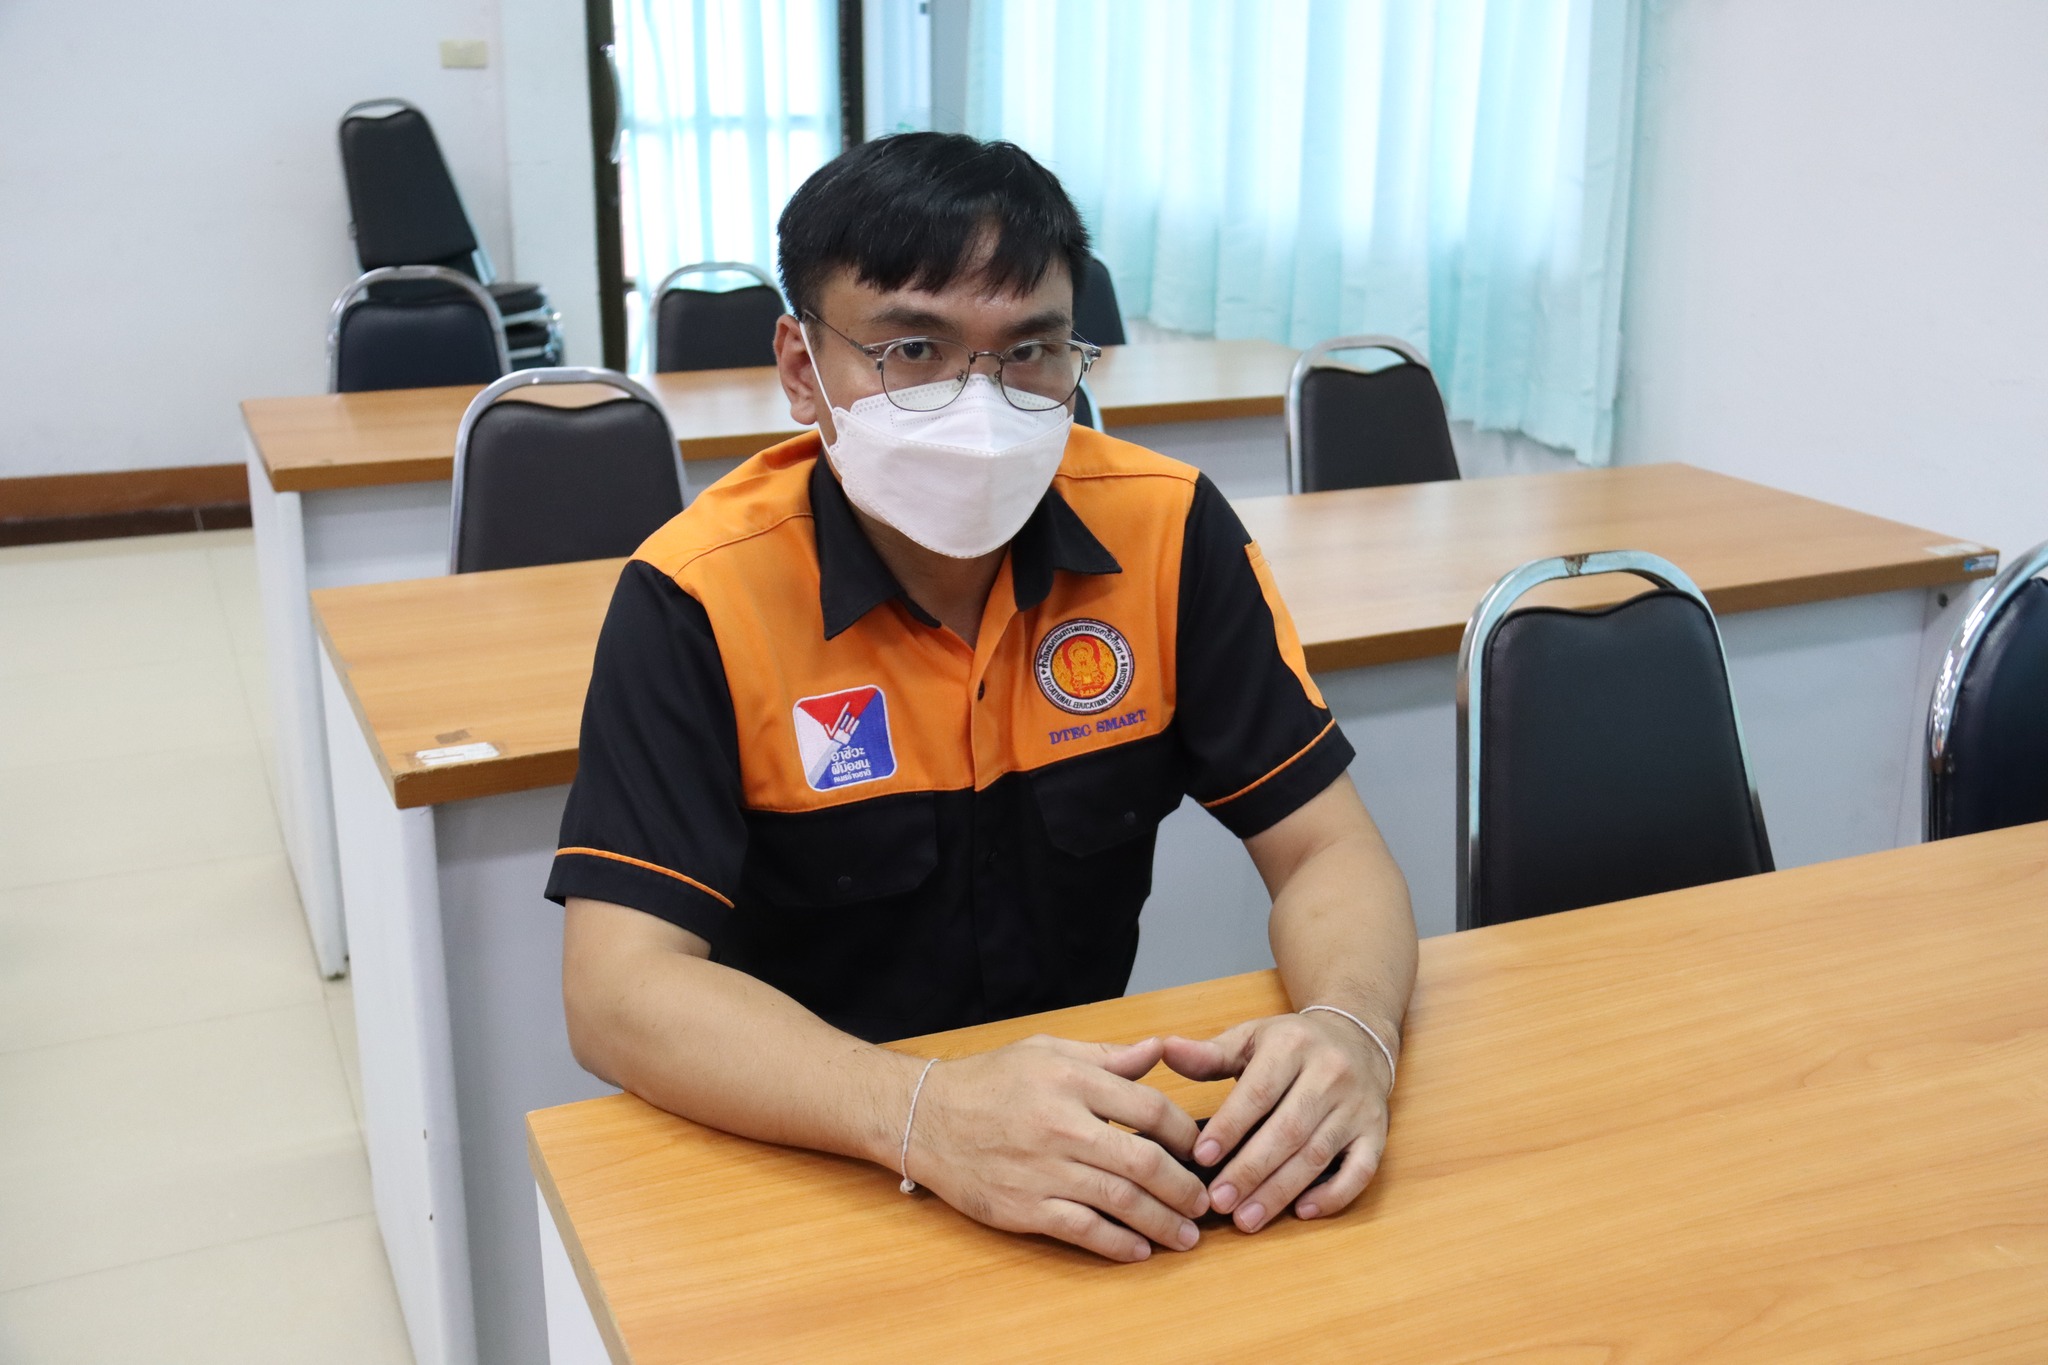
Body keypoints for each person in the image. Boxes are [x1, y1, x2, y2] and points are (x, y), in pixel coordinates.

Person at [548, 133, 1416, 1264]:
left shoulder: (1165, 531)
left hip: (1084, 1160)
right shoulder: (696, 595)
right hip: (806, 1158)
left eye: (1030, 352)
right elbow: (618, 989)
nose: (981, 404)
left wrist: (1350, 1028)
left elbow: (1325, 848)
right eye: (913, 349)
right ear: (803, 367)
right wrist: (919, 1113)